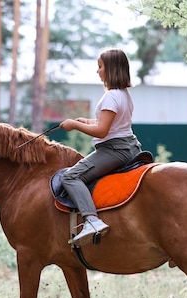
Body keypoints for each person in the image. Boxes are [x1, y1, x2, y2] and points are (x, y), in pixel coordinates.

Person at [60, 47, 142, 247]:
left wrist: (75, 125)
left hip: (114, 149)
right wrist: (87, 121)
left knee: (70, 177)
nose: (97, 71)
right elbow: (112, 124)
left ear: (111, 69)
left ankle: (92, 220)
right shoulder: (123, 95)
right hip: (130, 145)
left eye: (100, 66)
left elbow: (102, 131)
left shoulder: (110, 96)